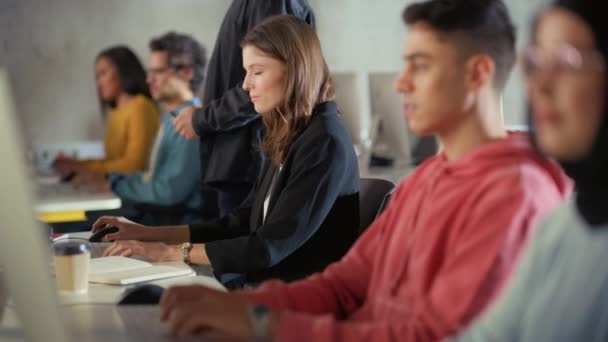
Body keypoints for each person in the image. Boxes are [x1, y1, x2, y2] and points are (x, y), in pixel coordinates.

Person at [154, 1, 572, 340]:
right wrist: (241, 308)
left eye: (420, 65)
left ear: (478, 72)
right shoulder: (426, 178)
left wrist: (264, 325)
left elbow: (431, 334)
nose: (400, 83)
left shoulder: (515, 194)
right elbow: (343, 285)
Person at [93, 16, 360, 289]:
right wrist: (149, 235)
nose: (245, 85)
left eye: (257, 72)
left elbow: (266, 247)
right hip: (265, 286)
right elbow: (239, 223)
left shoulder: (324, 141)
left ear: (295, 70)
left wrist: (171, 253)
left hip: (292, 301)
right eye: (246, 72)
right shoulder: (292, 132)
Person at [446, 0, 608, 341]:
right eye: (535, 63)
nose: (541, 85)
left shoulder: (527, 194)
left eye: (566, 62)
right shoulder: (562, 224)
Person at [172, 0, 315, 220]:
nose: (249, 81)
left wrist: (201, 119)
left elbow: (268, 80)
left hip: (247, 160)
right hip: (242, 158)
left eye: (254, 71)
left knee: (235, 246)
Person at [73, 32, 207, 225]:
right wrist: (111, 178)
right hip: (156, 216)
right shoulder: (170, 119)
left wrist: (113, 183)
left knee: (67, 230)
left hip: (171, 224)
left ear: (187, 72)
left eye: (158, 72)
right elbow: (151, 178)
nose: (149, 79)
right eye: (149, 72)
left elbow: (168, 192)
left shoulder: (193, 122)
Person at [54, 46, 160, 177]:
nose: (99, 84)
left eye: (103, 73)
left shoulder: (141, 106)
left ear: (123, 71)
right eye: (97, 77)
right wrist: (77, 164)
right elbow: (112, 163)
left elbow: (134, 165)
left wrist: (83, 168)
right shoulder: (115, 113)